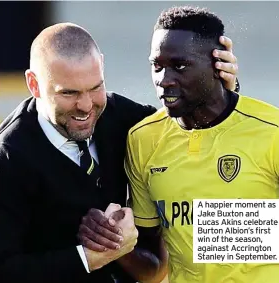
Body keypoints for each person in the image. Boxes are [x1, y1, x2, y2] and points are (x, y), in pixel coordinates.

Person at [0, 20, 238, 283]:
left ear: (101, 65)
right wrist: (90, 257)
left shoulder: (122, 116)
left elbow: (189, 136)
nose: (86, 106)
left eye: (95, 87)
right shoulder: (7, 158)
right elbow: (3, 269)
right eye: (69, 93)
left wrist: (222, 93)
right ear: (33, 84)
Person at [78, 6, 279, 283]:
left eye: (179, 66)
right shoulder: (143, 139)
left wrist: (218, 228)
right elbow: (154, 268)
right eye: (156, 66)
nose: (164, 80)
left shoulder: (272, 132)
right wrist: (111, 242)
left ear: (218, 63)